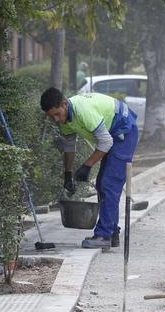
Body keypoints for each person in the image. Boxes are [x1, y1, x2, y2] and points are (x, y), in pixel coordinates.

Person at [41, 87, 139, 248]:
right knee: (102, 184)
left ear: (64, 104)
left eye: (57, 114)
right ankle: (112, 232)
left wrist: (87, 166)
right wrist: (68, 173)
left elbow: (106, 142)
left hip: (124, 131)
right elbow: (69, 147)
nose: (57, 120)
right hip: (111, 134)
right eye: (52, 117)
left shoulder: (83, 111)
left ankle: (104, 236)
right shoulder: (65, 120)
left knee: (109, 184)